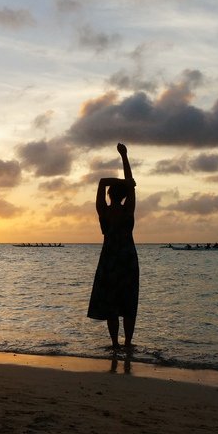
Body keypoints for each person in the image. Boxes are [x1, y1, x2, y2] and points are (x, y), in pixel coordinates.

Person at [87, 142, 140, 351]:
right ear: (125, 194)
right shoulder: (128, 210)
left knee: (111, 304)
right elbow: (130, 183)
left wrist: (120, 181)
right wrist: (124, 156)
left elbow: (101, 182)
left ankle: (115, 344)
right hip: (127, 259)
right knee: (128, 304)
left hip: (109, 259)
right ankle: (127, 343)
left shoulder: (104, 211)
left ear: (110, 194)